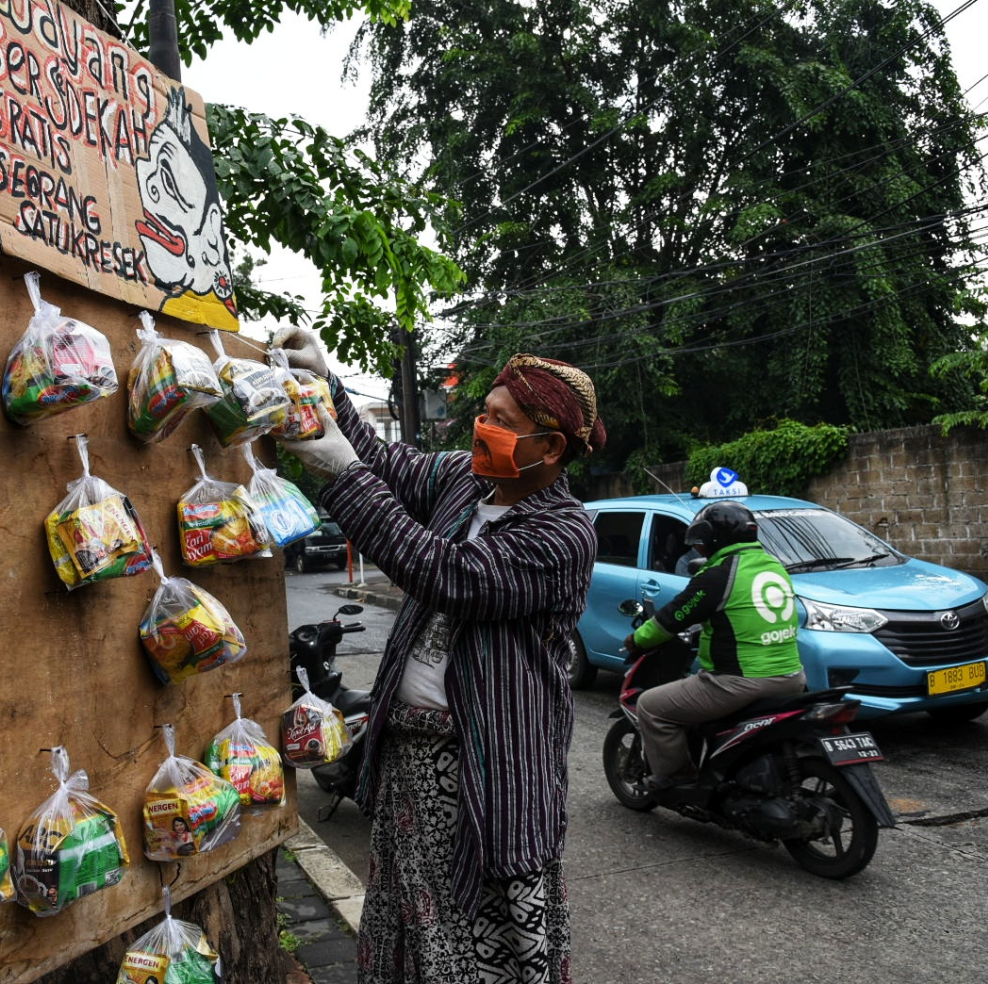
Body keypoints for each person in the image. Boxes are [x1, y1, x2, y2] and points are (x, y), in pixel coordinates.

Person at [274, 329, 606, 984]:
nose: (483, 427)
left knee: (482, 933)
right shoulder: (466, 479)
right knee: (407, 916)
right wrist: (326, 386)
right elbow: (385, 462)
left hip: (488, 768)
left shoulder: (563, 533)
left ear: (550, 448)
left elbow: (448, 574)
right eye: (484, 413)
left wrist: (343, 474)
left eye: (502, 421)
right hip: (409, 754)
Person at [623, 500, 806, 792]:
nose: (700, 549)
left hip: (739, 682)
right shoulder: (775, 566)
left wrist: (637, 641)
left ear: (715, 539)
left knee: (651, 706)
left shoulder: (718, 575)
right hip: (793, 679)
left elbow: (672, 618)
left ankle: (678, 778)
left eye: (702, 542)